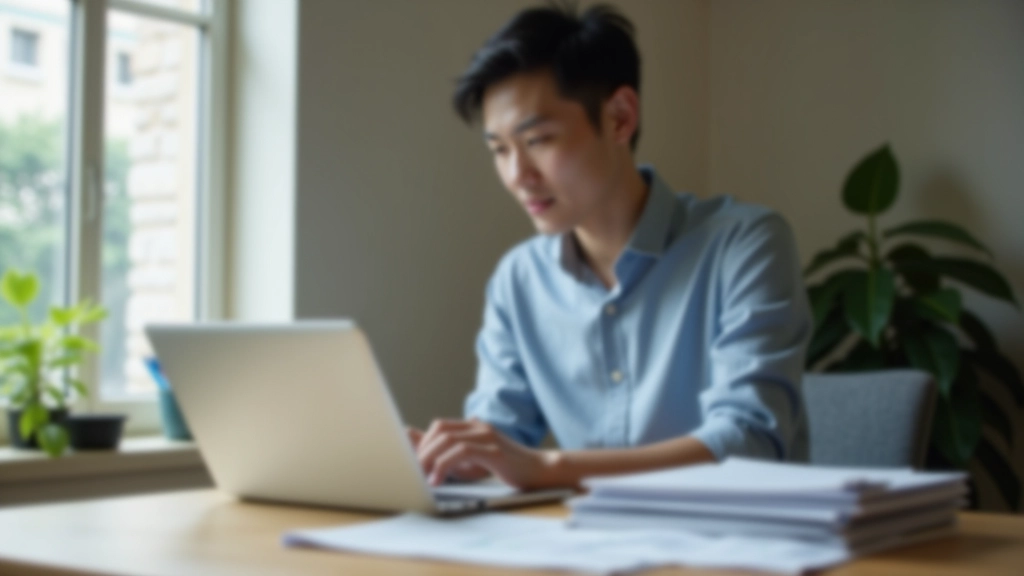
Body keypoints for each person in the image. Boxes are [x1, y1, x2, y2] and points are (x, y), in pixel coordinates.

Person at [410, 1, 812, 490]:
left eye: (537, 140)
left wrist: (550, 468)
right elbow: (501, 435)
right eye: (499, 150)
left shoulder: (744, 245)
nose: (518, 176)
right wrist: (451, 456)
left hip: (738, 552)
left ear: (620, 118)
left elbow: (748, 443)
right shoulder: (518, 279)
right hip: (584, 554)